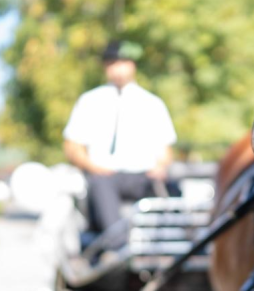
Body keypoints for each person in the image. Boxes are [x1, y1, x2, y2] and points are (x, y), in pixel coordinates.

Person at [63, 41, 177, 249]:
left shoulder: (151, 103)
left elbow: (165, 148)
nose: (119, 69)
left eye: (124, 62)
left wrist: (160, 167)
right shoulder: (90, 101)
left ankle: (176, 244)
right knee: (101, 186)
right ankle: (118, 248)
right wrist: (94, 167)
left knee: (173, 187)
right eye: (113, 63)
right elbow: (73, 146)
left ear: (133, 65)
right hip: (105, 175)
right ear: (106, 67)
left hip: (142, 175)